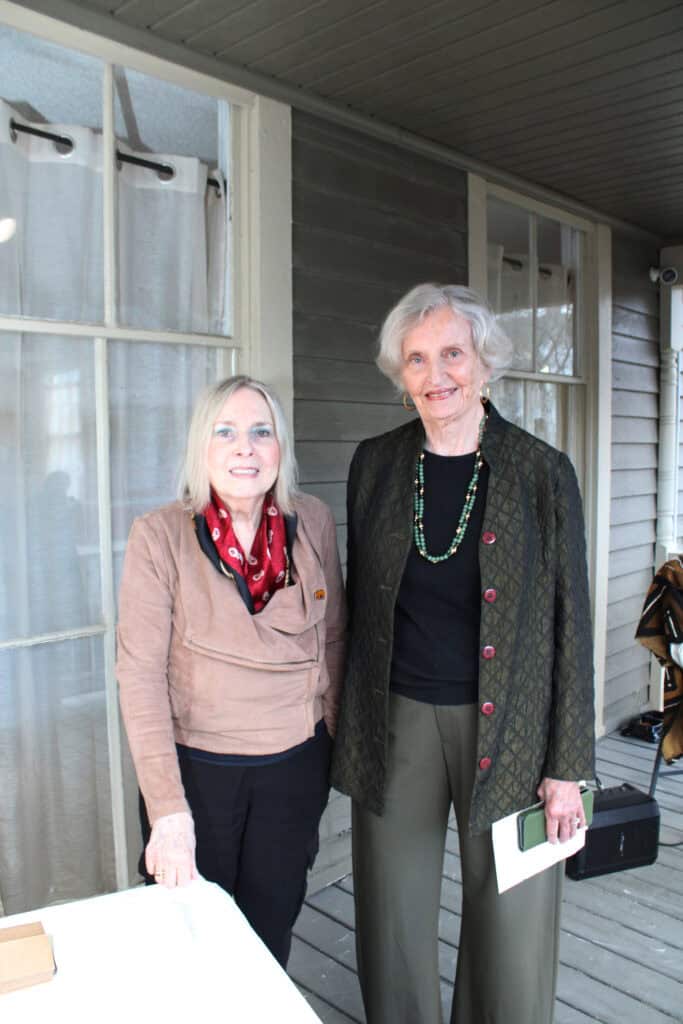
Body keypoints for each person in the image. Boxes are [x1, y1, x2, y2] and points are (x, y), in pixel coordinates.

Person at [331, 284, 595, 1024]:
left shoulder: (540, 471)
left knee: (511, 927)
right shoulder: (376, 466)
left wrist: (566, 766)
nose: (435, 372)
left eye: (452, 352)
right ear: (399, 372)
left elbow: (570, 620)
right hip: (397, 722)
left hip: (512, 727)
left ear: (484, 363)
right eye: (416, 358)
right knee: (392, 920)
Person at [116, 375, 345, 967]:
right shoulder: (160, 535)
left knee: (268, 936)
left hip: (293, 770)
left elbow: (335, 637)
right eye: (227, 432)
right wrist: (167, 810)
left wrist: (333, 745)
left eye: (260, 432)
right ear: (203, 446)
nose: (245, 448)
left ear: (279, 448)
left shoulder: (312, 521)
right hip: (199, 775)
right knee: (192, 946)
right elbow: (139, 676)